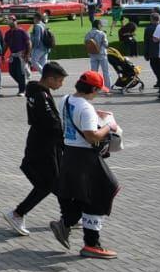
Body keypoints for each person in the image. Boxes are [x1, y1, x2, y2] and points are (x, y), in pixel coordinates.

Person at [50, 70, 121, 259]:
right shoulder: (86, 108)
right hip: (85, 157)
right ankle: (88, 241)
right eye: (98, 91)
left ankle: (70, 226)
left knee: (86, 195)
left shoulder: (66, 99)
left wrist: (94, 115)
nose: (98, 94)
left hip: (69, 153)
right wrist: (109, 126)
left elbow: (74, 118)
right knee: (104, 191)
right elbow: (92, 137)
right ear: (93, 89)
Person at [4, 62, 68, 236]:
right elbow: (53, 123)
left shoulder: (35, 92)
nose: (61, 84)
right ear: (50, 79)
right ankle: (18, 213)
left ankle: (69, 216)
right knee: (47, 184)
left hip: (43, 142)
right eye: (60, 81)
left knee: (57, 182)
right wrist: (65, 140)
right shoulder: (41, 95)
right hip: (44, 145)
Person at [3, 18, 31, 95]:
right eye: (10, 20)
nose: (11, 21)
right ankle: (24, 85)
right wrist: (2, 54)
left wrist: (27, 55)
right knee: (12, 72)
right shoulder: (8, 33)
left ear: (16, 22)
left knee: (20, 73)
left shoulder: (21, 31)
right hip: (13, 55)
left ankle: (22, 90)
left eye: (13, 20)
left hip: (21, 55)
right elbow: (6, 45)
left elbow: (29, 43)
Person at [83, 19, 111, 89]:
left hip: (92, 54)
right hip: (102, 54)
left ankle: (93, 87)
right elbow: (106, 45)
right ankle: (107, 87)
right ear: (98, 25)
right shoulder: (102, 33)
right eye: (101, 25)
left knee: (94, 72)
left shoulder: (88, 33)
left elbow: (86, 43)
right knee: (105, 72)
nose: (101, 26)